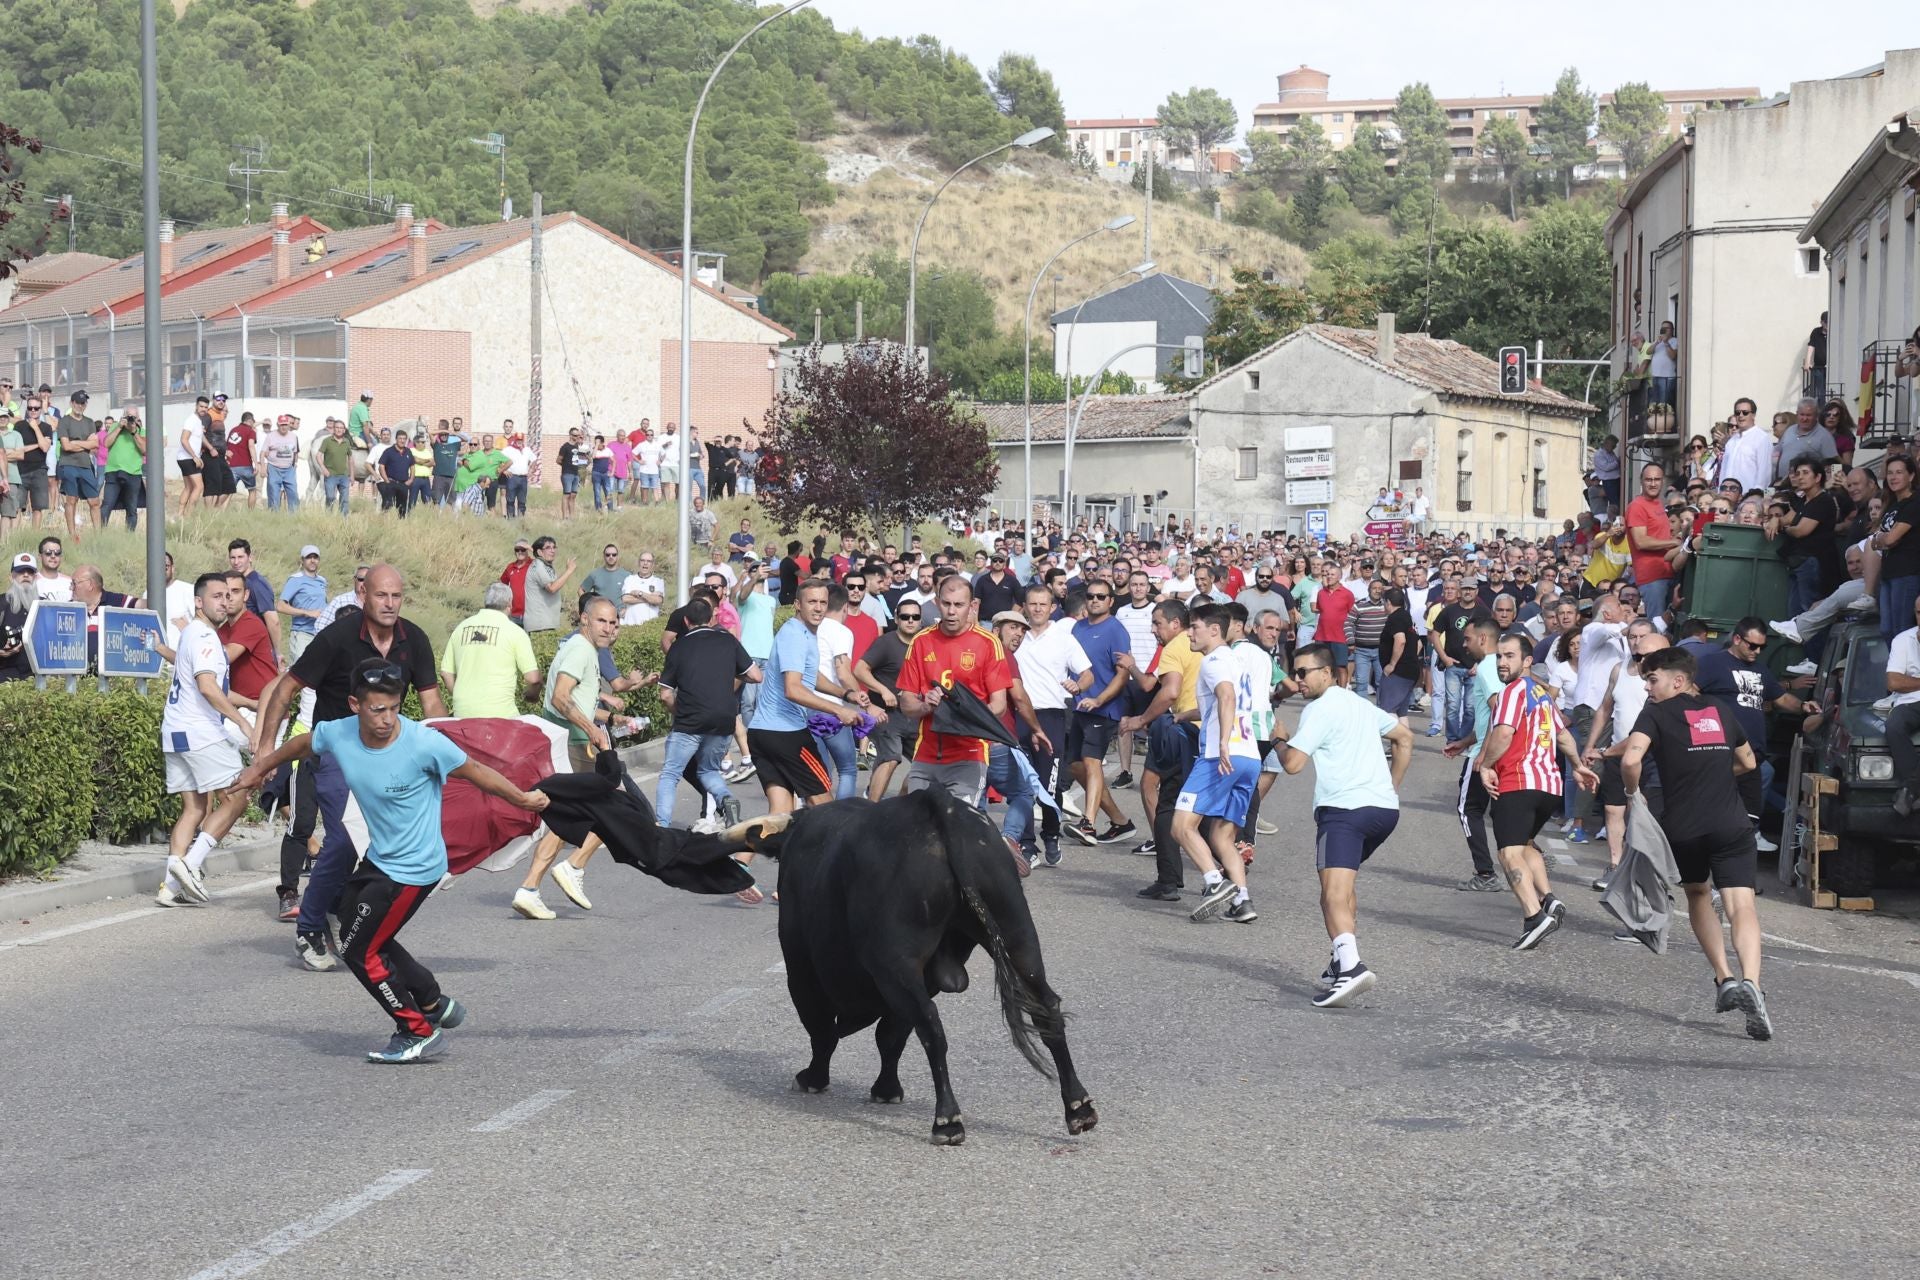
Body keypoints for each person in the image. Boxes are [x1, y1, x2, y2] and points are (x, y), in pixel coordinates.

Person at [240, 658, 549, 1062]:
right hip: (381, 858)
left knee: (358, 950)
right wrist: (261, 767)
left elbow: (476, 772)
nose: (386, 719)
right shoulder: (339, 733)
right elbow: (304, 743)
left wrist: (523, 799)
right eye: (376, 709)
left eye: (393, 707)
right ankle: (433, 1003)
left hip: (416, 869)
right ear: (355, 704)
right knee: (352, 923)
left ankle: (416, 1029)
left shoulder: (423, 743)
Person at [252, 565, 447, 969]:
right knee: (344, 837)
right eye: (381, 596)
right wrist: (266, 749)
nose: (390, 604)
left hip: (389, 757)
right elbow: (288, 687)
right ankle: (308, 927)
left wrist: (442, 755)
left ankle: (342, 912)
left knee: (379, 843)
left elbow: (431, 705)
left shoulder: (415, 640)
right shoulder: (338, 638)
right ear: (364, 596)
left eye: (396, 596)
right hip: (335, 755)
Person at [1619, 647, 1775, 1041]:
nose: (1648, 689)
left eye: (1652, 680)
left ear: (1677, 680)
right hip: (1732, 823)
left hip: (1685, 828)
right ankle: (1752, 983)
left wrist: (1632, 794)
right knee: (1742, 905)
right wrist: (1717, 773)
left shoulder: (1655, 713)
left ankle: (1724, 978)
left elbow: (1631, 759)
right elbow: (1748, 763)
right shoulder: (1722, 711)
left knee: (1698, 894)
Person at [1271, 641, 1413, 1008]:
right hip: (1383, 811)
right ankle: (1339, 961)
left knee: (1331, 893)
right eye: (1294, 672)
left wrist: (1278, 739)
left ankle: (1351, 967)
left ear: (1328, 673)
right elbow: (1404, 737)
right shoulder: (1359, 704)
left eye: (1304, 673)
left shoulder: (1320, 709)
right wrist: (1391, 787)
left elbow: (1293, 765)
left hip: (1344, 811)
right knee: (1344, 884)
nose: (1298, 680)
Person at [1480, 635, 1599, 950]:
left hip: (1518, 781)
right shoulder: (1543, 695)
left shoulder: (1512, 691)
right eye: (1500, 657)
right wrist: (1576, 765)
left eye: (1509, 656)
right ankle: (1547, 899)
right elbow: (1562, 736)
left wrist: (1485, 765)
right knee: (1525, 845)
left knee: (1508, 852)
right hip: (1549, 786)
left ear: (1528, 660)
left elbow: (1504, 733)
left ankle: (1534, 917)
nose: (1503, 663)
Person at [747, 581, 861, 902]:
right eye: (811, 601)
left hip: (762, 732)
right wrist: (839, 710)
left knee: (780, 811)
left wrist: (846, 693)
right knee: (824, 808)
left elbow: (812, 678)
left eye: (823, 602)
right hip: (786, 734)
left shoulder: (804, 635)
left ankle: (741, 870)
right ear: (797, 604)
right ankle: (837, 880)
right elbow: (794, 689)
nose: (818, 607)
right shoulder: (795, 634)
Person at [512, 596, 621, 920]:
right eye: (602, 621)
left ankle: (530, 889)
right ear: (584, 619)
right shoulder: (581, 649)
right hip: (576, 743)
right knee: (618, 808)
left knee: (565, 818)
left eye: (614, 623)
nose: (608, 628)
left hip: (568, 740)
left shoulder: (584, 649)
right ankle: (573, 866)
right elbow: (561, 697)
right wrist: (592, 730)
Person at [154, 572, 257, 905]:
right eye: (216, 596)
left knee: (194, 808)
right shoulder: (207, 638)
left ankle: (169, 887)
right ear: (198, 601)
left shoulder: (191, 633)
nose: (224, 602)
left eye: (228, 596)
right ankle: (191, 863)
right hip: (199, 731)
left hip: (175, 731)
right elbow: (208, 686)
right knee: (238, 795)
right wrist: (243, 722)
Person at [1170, 604, 1262, 925]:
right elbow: (1223, 702)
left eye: (1194, 627)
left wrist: (1222, 742)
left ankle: (1214, 882)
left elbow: (1226, 697)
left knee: (1181, 826)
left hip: (1221, 756)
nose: (1189, 633)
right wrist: (1184, 715)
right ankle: (1242, 901)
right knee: (1223, 837)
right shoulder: (1238, 661)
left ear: (1214, 630)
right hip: (1249, 757)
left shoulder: (1213, 661)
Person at [897, 574, 1012, 804]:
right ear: (937, 602)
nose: (951, 611)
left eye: (959, 605)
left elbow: (999, 705)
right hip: (926, 755)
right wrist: (924, 705)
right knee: (918, 830)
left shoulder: (988, 643)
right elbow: (906, 703)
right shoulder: (921, 641)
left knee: (956, 828)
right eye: (946, 603)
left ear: (972, 606)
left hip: (969, 755)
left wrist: (961, 718)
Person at [655, 595, 760, 828]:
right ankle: (727, 799)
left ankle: (661, 826)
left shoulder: (678, 647)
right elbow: (756, 676)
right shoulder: (727, 641)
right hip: (724, 720)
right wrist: (728, 674)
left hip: (689, 722)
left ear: (686, 621)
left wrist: (677, 710)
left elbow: (665, 694)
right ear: (712, 618)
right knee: (708, 771)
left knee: (671, 774)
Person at [1443, 617, 1505, 893]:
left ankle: (1485, 873)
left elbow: (1498, 710)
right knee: (1503, 809)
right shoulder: (1500, 665)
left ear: (1482, 639)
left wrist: (1482, 752)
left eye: (1467, 639)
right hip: (1492, 746)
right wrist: (1465, 741)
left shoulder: (1487, 668)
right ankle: (1530, 854)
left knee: (1468, 810)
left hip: (1487, 751)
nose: (1464, 645)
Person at [441, 583, 541, 718]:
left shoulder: (461, 628)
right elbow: (533, 679)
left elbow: (446, 673)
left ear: (485, 602)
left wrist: (461, 697)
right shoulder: (515, 632)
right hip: (501, 715)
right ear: (509, 604)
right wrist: (532, 696)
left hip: (462, 712)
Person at [53, 389, 102, 546]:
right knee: (71, 500)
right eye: (77, 403)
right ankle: (72, 534)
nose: (80, 406)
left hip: (85, 465)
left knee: (94, 501)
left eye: (83, 403)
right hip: (68, 464)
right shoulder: (64, 421)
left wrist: (76, 442)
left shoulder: (89, 422)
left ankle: (98, 535)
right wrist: (84, 444)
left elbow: (95, 444)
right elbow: (66, 446)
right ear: (72, 403)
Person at [276, 546, 329, 663]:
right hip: (302, 634)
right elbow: (280, 606)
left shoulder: (322, 581)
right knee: (301, 673)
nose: (312, 560)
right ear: (302, 560)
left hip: (320, 634)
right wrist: (306, 613)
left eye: (315, 557)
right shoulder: (295, 580)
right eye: (308, 557)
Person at [99, 410, 146, 531]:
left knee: (132, 508)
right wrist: (120, 427)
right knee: (106, 505)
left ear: (138, 418)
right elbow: (106, 443)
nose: (130, 419)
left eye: (133, 417)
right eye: (128, 416)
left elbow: (145, 450)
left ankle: (129, 535)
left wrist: (134, 431)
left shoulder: (141, 430)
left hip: (133, 473)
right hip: (113, 471)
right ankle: (100, 532)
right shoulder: (115, 426)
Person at [523, 536, 576, 635]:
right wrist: (569, 571)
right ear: (539, 552)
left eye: (554, 547)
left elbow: (554, 584)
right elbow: (552, 588)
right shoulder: (538, 566)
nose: (552, 550)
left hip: (547, 625)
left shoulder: (545, 566)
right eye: (548, 548)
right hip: (539, 627)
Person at [619, 551, 667, 627]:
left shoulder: (658, 581)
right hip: (631, 625)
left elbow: (658, 601)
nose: (645, 563)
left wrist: (640, 593)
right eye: (642, 560)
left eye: (649, 561)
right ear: (639, 563)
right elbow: (625, 599)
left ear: (653, 564)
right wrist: (650, 598)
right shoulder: (630, 579)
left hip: (651, 626)